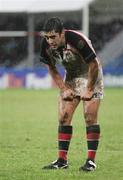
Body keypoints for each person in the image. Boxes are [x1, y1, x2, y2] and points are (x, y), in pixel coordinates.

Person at [40, 17, 104, 171]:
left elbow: (93, 65)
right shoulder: (46, 45)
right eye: (47, 37)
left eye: (53, 37)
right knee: (63, 118)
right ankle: (62, 161)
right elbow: (51, 68)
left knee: (89, 117)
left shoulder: (77, 40)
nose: (50, 41)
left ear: (62, 33)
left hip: (91, 75)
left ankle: (90, 161)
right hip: (71, 77)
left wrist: (89, 88)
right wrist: (64, 88)